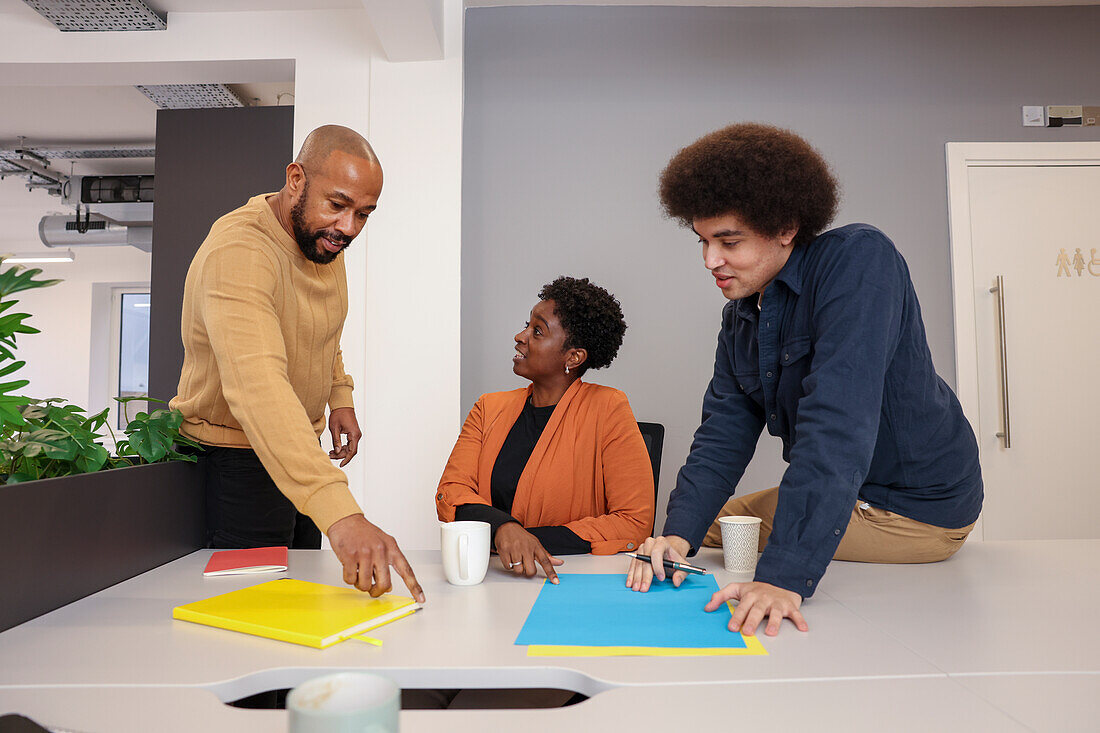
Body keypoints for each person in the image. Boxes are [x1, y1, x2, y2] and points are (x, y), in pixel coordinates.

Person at [627, 123, 982, 637]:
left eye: (729, 241)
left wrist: (782, 578)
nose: (711, 261)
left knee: (733, 540)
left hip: (913, 511)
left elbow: (836, 426)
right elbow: (722, 434)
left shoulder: (861, 260)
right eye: (702, 241)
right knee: (688, 531)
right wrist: (676, 536)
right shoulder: (741, 316)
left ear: (786, 227)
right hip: (852, 493)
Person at [170, 124, 423, 603]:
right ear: (295, 179)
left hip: (297, 455)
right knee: (254, 617)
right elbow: (258, 388)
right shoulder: (240, 253)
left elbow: (319, 328)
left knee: (303, 603)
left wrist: (339, 395)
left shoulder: (320, 238)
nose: (348, 228)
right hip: (236, 462)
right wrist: (343, 514)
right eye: (338, 204)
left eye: (364, 214)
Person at [436, 276, 655, 583]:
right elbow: (452, 492)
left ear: (573, 357)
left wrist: (529, 540)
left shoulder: (609, 409)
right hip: (488, 578)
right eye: (527, 325)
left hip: (566, 579)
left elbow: (633, 522)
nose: (520, 336)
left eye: (537, 331)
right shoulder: (488, 408)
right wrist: (504, 529)